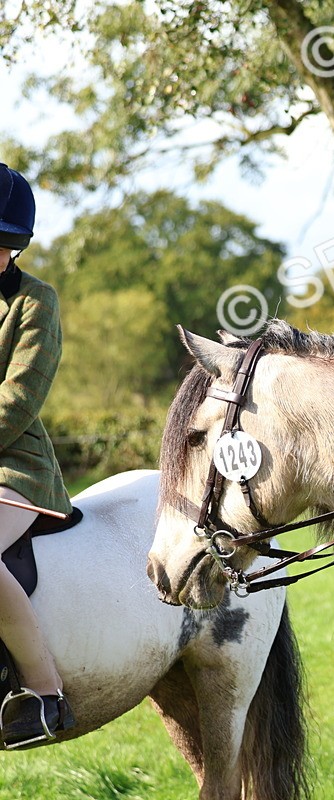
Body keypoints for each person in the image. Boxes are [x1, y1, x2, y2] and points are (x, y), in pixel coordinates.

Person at [0, 163, 76, 747]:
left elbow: (19, 399)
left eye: (4, 245)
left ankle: (44, 695)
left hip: (15, 466)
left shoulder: (35, 302)